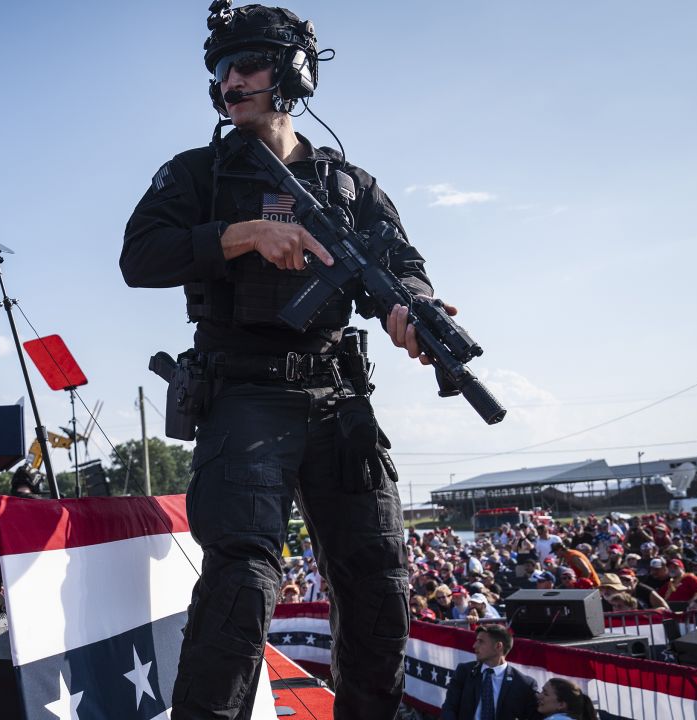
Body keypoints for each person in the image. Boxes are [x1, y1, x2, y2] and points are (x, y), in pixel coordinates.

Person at [121, 4, 453, 717]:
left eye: (247, 65)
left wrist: (409, 307)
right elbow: (138, 256)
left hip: (338, 401)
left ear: (294, 72)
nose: (230, 82)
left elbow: (399, 263)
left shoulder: (349, 184)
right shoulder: (196, 175)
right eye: (222, 69)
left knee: (380, 586)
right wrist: (239, 235)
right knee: (242, 586)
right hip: (244, 396)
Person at [441, 625, 539, 720]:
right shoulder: (464, 672)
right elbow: (449, 707)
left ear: (498, 646)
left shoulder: (524, 684)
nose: (474, 645)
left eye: (481, 642)